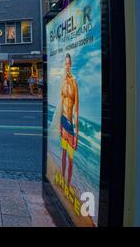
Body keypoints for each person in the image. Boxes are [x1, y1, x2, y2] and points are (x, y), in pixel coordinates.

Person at [59, 54, 79, 188]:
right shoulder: (63, 83)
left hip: (70, 124)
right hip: (63, 121)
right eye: (65, 64)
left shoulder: (74, 83)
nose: (67, 66)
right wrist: (60, 126)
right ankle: (62, 180)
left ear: (71, 65)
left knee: (71, 158)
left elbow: (77, 109)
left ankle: (68, 182)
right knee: (64, 154)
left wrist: (76, 134)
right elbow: (61, 105)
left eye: (69, 64)